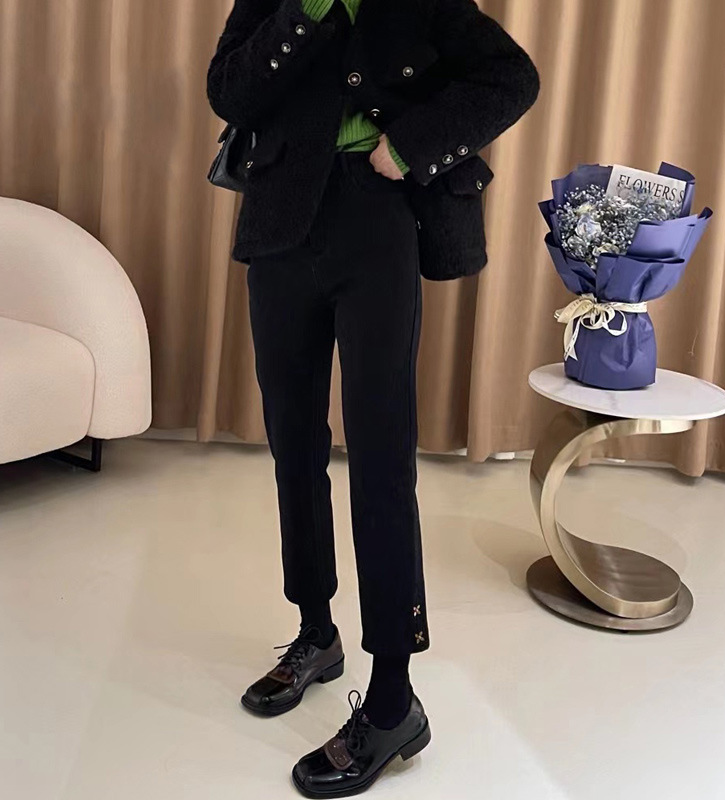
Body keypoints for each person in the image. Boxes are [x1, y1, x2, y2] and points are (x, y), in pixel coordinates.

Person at [207, 0, 538, 795]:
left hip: (377, 225)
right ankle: (315, 634)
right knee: (293, 446)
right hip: (281, 224)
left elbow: (511, 76)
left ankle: (393, 700)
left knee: (383, 462)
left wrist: (411, 146)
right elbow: (229, 91)